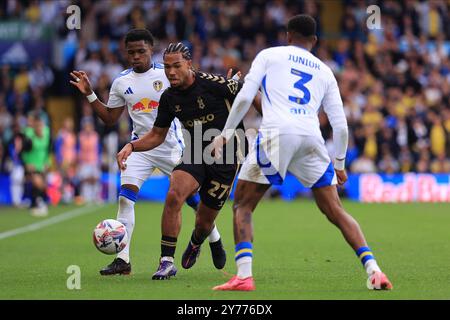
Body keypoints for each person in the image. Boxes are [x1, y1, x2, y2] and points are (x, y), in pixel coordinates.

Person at [211, 15, 393, 291]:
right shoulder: (325, 70)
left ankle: (244, 276)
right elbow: (340, 125)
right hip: (311, 138)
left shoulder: (269, 55)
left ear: (288, 35)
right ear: (315, 41)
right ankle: (375, 270)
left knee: (243, 204)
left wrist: (224, 135)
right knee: (335, 210)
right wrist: (340, 163)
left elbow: (246, 96)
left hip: (276, 134)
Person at [70, 29, 225, 276]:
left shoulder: (167, 74)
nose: (135, 56)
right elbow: (110, 118)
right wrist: (90, 93)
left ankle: (214, 238)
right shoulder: (122, 81)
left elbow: (196, 87)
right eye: (131, 52)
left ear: (151, 50)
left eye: (141, 51)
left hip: (171, 146)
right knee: (125, 197)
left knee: (191, 199)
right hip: (140, 147)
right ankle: (123, 260)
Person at [116, 42, 260, 280]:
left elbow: (248, 91)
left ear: (189, 65)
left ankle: (196, 241)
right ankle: (166, 261)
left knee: (204, 222)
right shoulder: (169, 97)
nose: (171, 72)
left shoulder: (214, 85)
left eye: (177, 66)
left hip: (227, 156)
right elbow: (156, 135)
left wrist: (271, 116)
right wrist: (131, 146)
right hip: (194, 151)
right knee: (174, 193)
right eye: (167, 67)